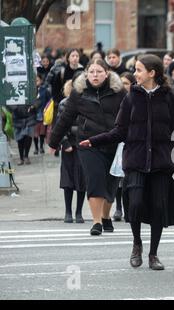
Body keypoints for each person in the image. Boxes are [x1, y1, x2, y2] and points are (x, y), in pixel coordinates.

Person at [79, 54, 174, 270]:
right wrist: (94, 141)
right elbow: (119, 131)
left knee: (159, 207)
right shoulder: (131, 98)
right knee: (136, 203)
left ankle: (153, 254)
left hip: (161, 162)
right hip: (136, 161)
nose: (135, 74)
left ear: (152, 73)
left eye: (139, 70)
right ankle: (137, 244)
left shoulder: (170, 98)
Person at [49, 59, 127, 235]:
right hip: (87, 143)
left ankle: (106, 216)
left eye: (99, 72)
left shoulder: (119, 92)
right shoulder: (79, 93)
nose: (95, 75)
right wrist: (54, 142)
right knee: (94, 180)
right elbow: (65, 119)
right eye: (91, 72)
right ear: (86, 73)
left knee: (111, 184)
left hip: (113, 143)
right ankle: (97, 222)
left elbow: (130, 116)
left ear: (106, 73)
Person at [57, 79, 86, 223]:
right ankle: (68, 211)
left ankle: (79, 212)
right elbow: (59, 125)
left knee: (82, 179)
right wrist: (65, 142)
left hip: (83, 144)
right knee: (67, 179)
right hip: (69, 145)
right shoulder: (64, 103)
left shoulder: (88, 102)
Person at [111, 72, 136, 222]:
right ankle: (118, 207)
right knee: (118, 177)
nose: (123, 86)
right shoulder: (115, 99)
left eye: (126, 83)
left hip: (132, 141)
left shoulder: (135, 99)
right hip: (117, 140)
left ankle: (130, 208)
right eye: (121, 83)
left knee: (129, 178)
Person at [33, 73, 51, 155]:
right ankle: (36, 148)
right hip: (34, 115)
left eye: (37, 80)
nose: (36, 82)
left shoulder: (45, 90)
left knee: (42, 132)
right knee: (35, 133)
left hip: (43, 113)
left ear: (41, 81)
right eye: (34, 80)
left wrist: (47, 110)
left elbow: (49, 101)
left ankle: (41, 147)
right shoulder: (31, 91)